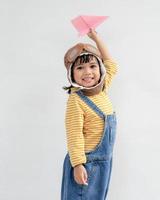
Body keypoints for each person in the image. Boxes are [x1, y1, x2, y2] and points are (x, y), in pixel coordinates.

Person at [61, 28, 118, 200]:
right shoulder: (76, 101)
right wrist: (78, 165)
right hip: (86, 163)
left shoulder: (102, 90)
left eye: (93, 66)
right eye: (80, 68)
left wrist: (96, 38)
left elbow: (111, 65)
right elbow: (74, 134)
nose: (88, 72)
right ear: (72, 74)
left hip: (104, 163)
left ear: (100, 69)